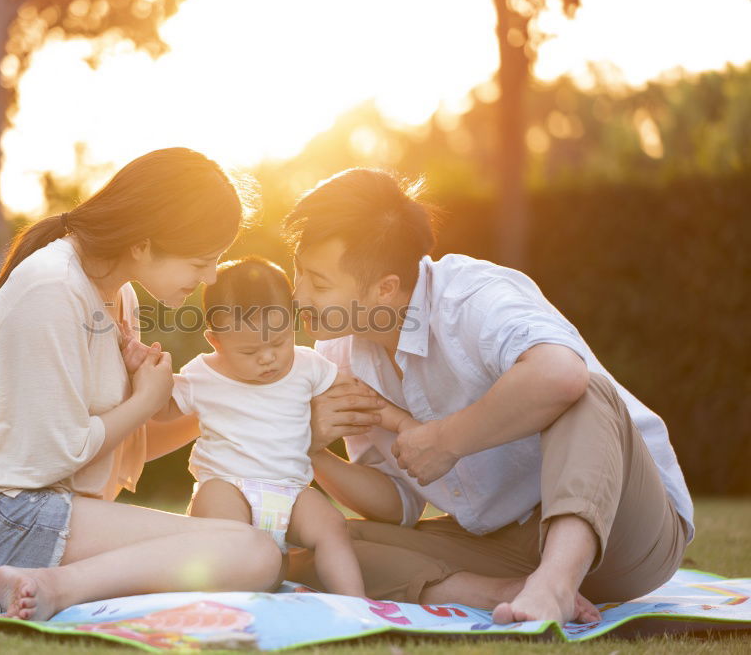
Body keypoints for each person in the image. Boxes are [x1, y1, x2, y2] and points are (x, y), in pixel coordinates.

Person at [283, 168, 694, 624]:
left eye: (319, 284)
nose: (297, 294)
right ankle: (498, 592)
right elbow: (398, 505)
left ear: (386, 289)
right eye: (298, 270)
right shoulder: (338, 351)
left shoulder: (473, 298)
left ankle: (556, 582)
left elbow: (559, 375)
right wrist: (309, 448)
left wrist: (446, 440)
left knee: (583, 388)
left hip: (624, 530)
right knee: (321, 545)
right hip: (502, 546)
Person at [0, 148, 282, 621]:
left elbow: (117, 448)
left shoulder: (115, 294)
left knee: (256, 554)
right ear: (144, 244)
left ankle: (49, 583)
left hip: (19, 517)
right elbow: (47, 454)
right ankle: (52, 588)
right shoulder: (51, 288)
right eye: (201, 261)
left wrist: (236, 401)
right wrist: (146, 400)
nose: (210, 277)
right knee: (253, 553)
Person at [129, 257, 366, 597]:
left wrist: (400, 420)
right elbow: (164, 412)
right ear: (217, 342)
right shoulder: (202, 373)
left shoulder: (308, 364)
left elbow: (351, 392)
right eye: (250, 350)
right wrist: (148, 374)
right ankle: (222, 594)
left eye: (279, 342)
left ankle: (356, 605)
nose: (268, 357)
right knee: (222, 526)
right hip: (229, 486)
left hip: (291, 491)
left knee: (332, 526)